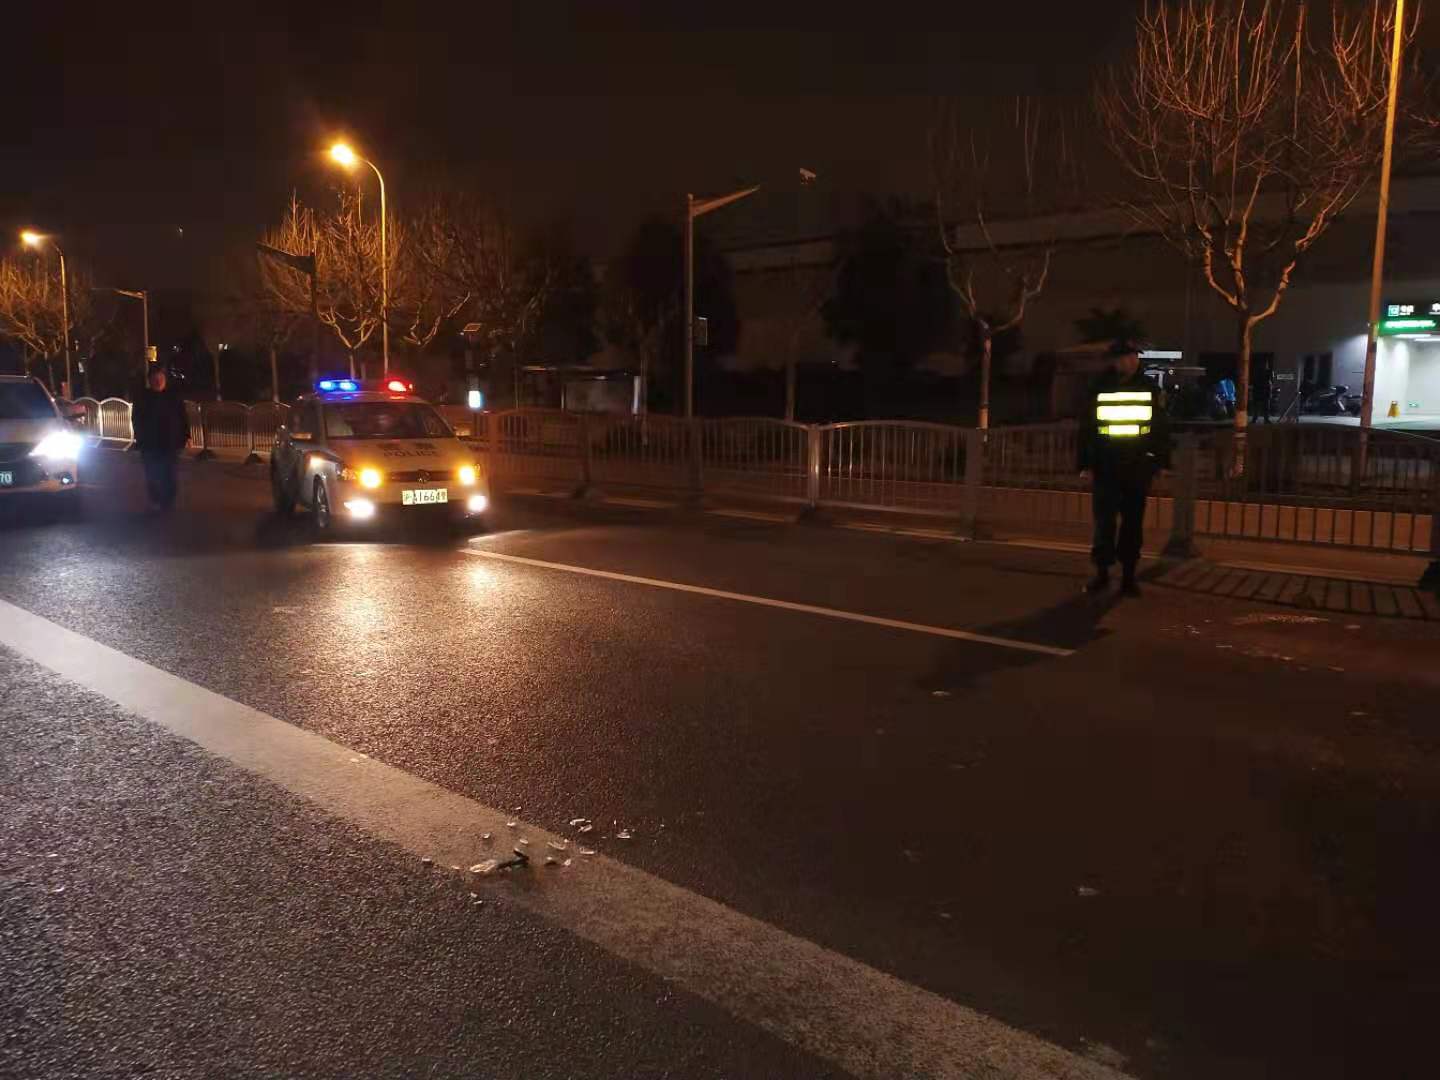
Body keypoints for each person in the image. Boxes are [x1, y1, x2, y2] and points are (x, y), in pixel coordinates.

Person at [1078, 341, 1170, 597]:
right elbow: (1087, 428)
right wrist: (1085, 463)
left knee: (1132, 524)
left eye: (1133, 357)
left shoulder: (1150, 388)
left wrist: (1161, 462)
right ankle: (1102, 574)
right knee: (1104, 524)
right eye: (1125, 357)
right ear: (1115, 361)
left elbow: (1161, 428)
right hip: (1106, 465)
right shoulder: (1099, 387)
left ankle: (1128, 577)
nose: (1130, 361)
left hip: (1137, 466)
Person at [132, 367, 190, 510]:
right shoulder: (143, 398)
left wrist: (186, 436)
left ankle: (168, 500)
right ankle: (156, 499)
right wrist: (140, 438)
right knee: (152, 473)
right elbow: (136, 419)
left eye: (161, 379)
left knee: (170, 473)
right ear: (150, 381)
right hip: (150, 443)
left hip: (171, 442)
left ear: (165, 380)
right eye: (155, 379)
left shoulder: (173, 396)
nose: (158, 382)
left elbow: (183, 417)